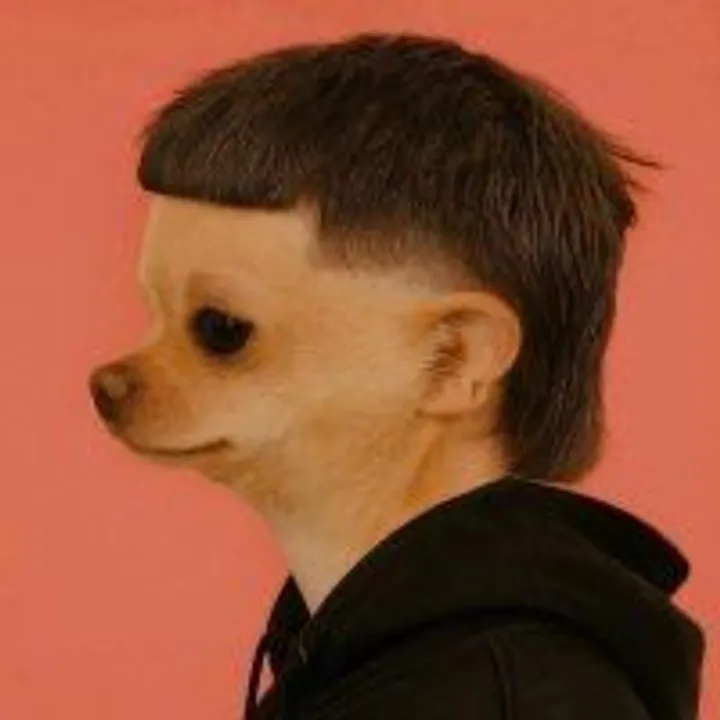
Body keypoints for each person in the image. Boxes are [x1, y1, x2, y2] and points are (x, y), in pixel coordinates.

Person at [89, 34, 705, 719]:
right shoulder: (391, 658)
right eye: (155, 314)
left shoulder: (489, 697)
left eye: (223, 331)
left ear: (454, 358)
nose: (117, 377)